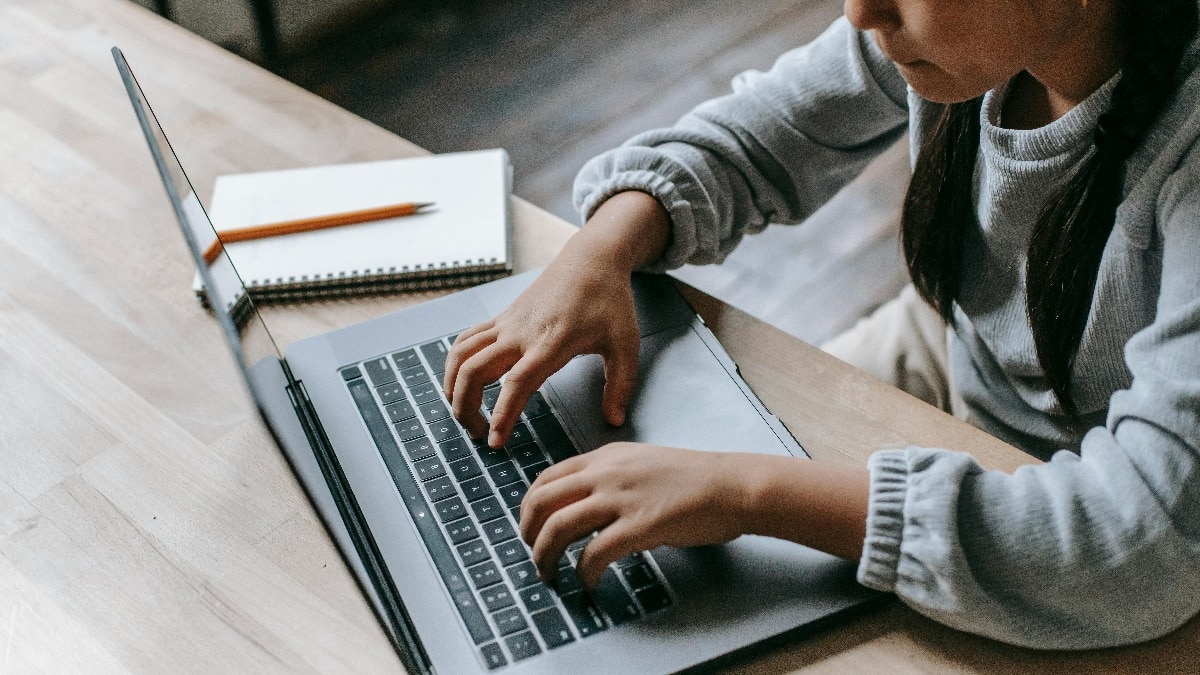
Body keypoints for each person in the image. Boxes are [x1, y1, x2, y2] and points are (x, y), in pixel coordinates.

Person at [442, 0, 1200, 649]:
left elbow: (1141, 544)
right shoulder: (950, 34)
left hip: (1110, 514)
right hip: (963, 354)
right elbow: (766, 130)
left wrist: (748, 490)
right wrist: (601, 250)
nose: (860, 13)